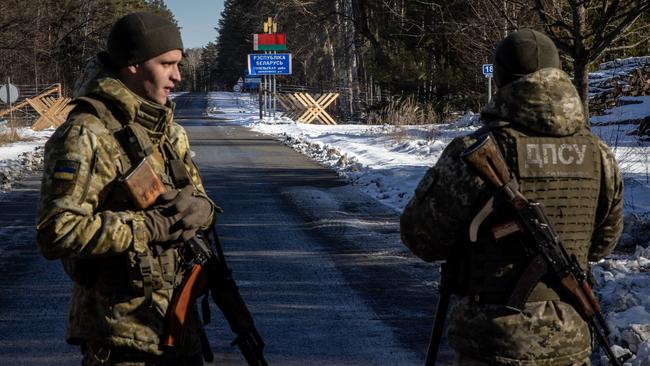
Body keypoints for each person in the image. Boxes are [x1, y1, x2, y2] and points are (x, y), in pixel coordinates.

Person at [400, 29, 623, 365]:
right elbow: (603, 244)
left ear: (502, 80)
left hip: (492, 340)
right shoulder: (598, 154)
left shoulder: (473, 151)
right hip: (570, 338)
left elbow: (421, 238)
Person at [36, 12, 216, 365]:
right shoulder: (87, 134)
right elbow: (55, 231)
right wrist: (147, 227)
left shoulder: (168, 131)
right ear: (132, 64)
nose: (177, 76)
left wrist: (202, 209)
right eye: (166, 64)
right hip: (120, 338)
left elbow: (198, 198)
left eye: (178, 64)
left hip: (177, 329)